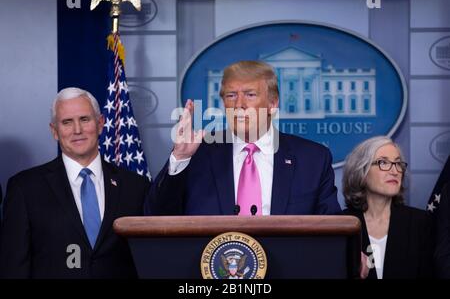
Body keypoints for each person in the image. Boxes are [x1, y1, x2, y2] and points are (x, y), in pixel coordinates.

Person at [147, 60, 341, 216]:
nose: (239, 104)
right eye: (231, 96)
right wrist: (180, 158)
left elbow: (332, 232)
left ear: (272, 103)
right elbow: (155, 216)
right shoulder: (197, 153)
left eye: (250, 94)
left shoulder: (312, 159)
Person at [0, 87, 150, 278]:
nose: (77, 130)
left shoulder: (136, 186)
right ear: (54, 131)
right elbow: (13, 268)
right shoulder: (25, 188)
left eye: (84, 119)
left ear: (100, 123)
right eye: (67, 122)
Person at [342, 136, 433, 279]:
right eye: (383, 162)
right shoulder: (341, 224)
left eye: (398, 164)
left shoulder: (420, 223)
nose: (394, 171)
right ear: (361, 171)